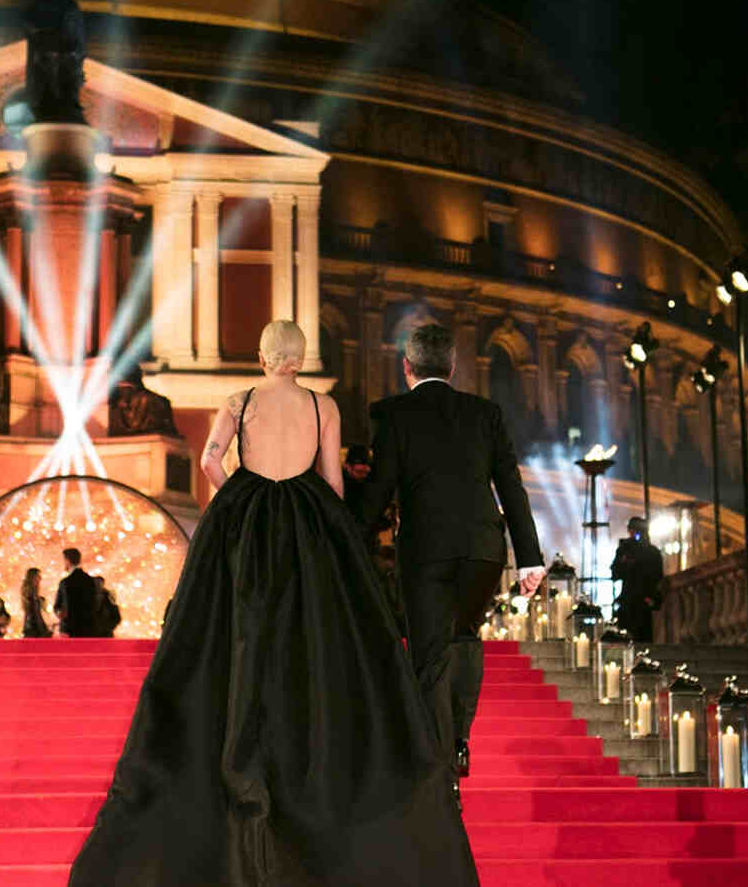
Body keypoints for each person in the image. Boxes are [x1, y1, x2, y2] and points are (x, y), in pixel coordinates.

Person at [69, 320, 476, 886]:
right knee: (322, 642)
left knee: (229, 634)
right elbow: (333, 482)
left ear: (262, 355)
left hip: (245, 523)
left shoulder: (239, 402)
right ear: (301, 358)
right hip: (312, 529)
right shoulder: (323, 407)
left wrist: (244, 489)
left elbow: (212, 462)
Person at [361, 323, 545, 783]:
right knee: (464, 636)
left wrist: (348, 540)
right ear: (453, 365)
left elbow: (377, 492)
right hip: (483, 549)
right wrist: (530, 557)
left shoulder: (394, 415)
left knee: (429, 651)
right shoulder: (485, 413)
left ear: (407, 367)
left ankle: (438, 768)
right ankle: (459, 739)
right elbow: (511, 488)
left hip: (426, 551)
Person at [611, 516, 665, 642]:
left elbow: (616, 573)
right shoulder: (651, 551)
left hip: (635, 600)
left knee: (634, 637)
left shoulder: (633, 550)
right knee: (640, 637)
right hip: (638, 600)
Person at [53, 547, 99, 638]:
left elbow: (59, 607)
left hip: (69, 631)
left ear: (67, 560)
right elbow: (96, 605)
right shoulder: (90, 581)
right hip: (88, 630)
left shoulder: (65, 582)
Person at [20, 567, 52, 637]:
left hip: (33, 627)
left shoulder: (31, 593)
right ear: (32, 577)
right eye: (38, 576)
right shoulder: (30, 594)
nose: (40, 578)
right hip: (34, 628)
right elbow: (34, 613)